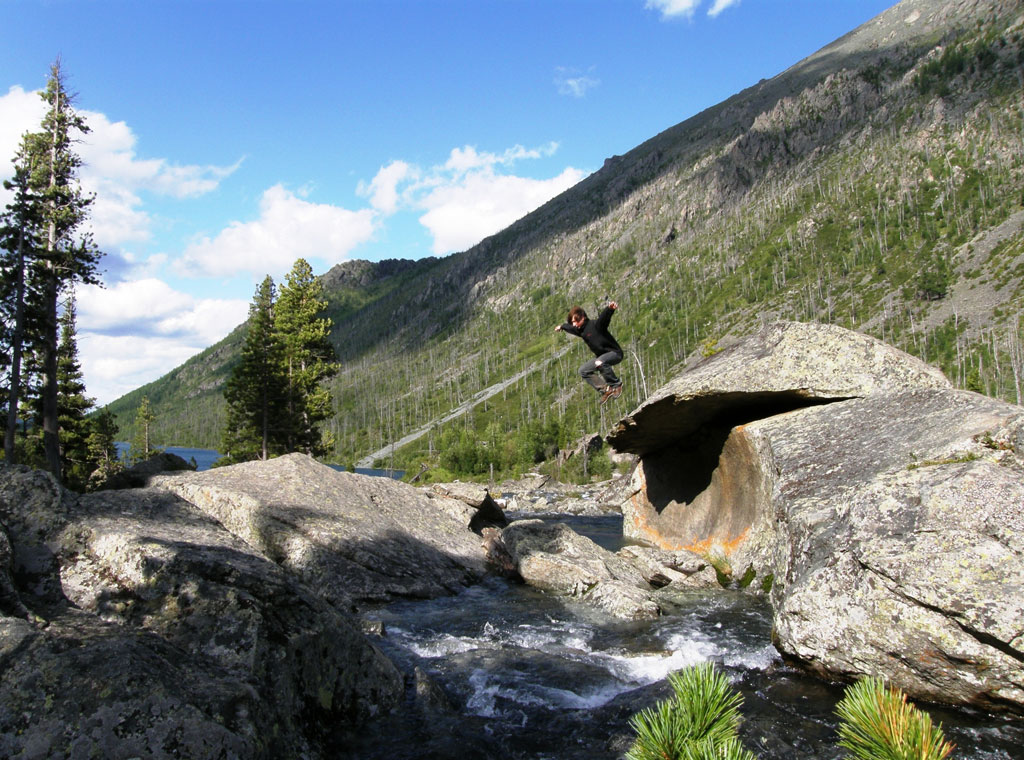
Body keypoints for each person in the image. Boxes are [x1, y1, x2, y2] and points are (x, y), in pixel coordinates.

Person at [555, 301, 624, 403]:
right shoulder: (581, 331)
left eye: (575, 321)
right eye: (572, 322)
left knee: (599, 362)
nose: (574, 325)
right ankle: (606, 389)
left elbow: (604, 319)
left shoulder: (596, 325)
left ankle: (616, 385)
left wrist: (610, 309)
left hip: (615, 353)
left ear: (582, 317)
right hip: (601, 358)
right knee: (583, 370)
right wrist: (562, 327)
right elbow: (570, 328)